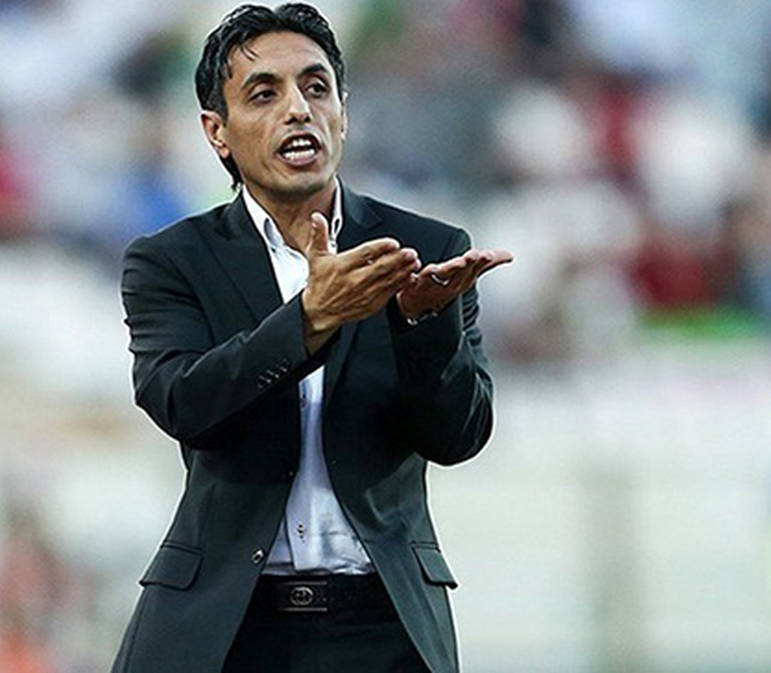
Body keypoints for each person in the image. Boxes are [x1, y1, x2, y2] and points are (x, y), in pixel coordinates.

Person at [110, 5, 512, 673]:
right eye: (264, 93)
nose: (298, 109)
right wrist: (309, 319)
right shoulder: (171, 260)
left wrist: (422, 325)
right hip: (226, 628)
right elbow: (182, 401)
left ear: (343, 114)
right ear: (217, 131)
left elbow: (459, 437)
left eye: (316, 87)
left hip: (383, 627)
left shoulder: (426, 249)